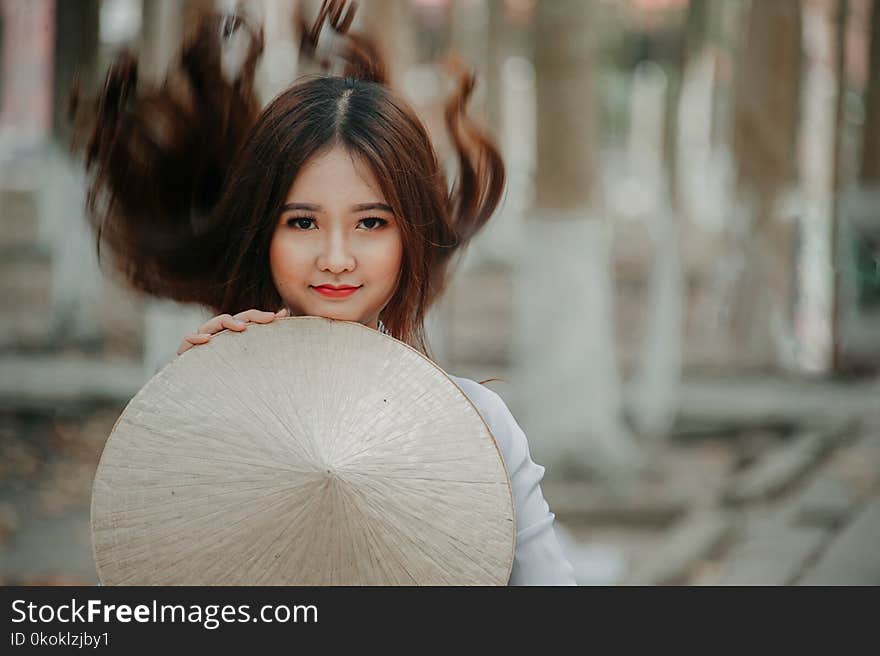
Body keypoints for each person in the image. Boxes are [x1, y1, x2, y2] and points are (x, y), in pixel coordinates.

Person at [70, 0, 575, 586]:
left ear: (410, 235)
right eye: (303, 222)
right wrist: (189, 411)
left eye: (371, 223)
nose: (336, 258)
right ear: (262, 232)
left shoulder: (481, 429)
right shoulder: (199, 416)